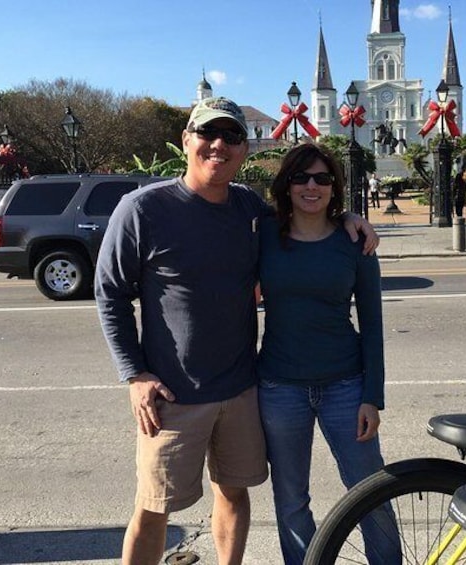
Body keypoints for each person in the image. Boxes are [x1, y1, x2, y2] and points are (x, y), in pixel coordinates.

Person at [94, 97, 377, 565]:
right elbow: (110, 296)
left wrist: (345, 216)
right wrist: (135, 375)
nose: (218, 146)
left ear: (244, 150)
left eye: (231, 137)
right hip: (172, 394)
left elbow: (304, 211)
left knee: (234, 493)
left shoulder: (248, 207)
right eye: (208, 134)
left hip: (243, 388)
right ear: (187, 140)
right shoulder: (142, 209)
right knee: (153, 507)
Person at [257, 143, 399, 564]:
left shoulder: (355, 242)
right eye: (301, 177)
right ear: (286, 185)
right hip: (280, 388)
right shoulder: (264, 233)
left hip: (346, 386)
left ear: (335, 187)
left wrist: (373, 396)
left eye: (322, 178)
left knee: (371, 492)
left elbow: (372, 325)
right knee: (291, 500)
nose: (311, 186)